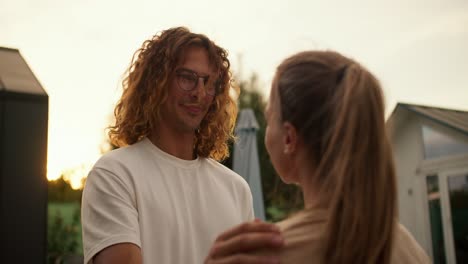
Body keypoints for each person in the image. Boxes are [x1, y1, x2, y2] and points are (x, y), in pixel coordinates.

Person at [81, 27, 283, 264]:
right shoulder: (115, 174)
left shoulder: (236, 189)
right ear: (156, 81)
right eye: (187, 78)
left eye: (209, 83)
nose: (200, 93)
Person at [262, 50, 431, 263]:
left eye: (269, 118)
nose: (266, 132)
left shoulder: (270, 254)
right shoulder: (409, 249)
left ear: (289, 138)